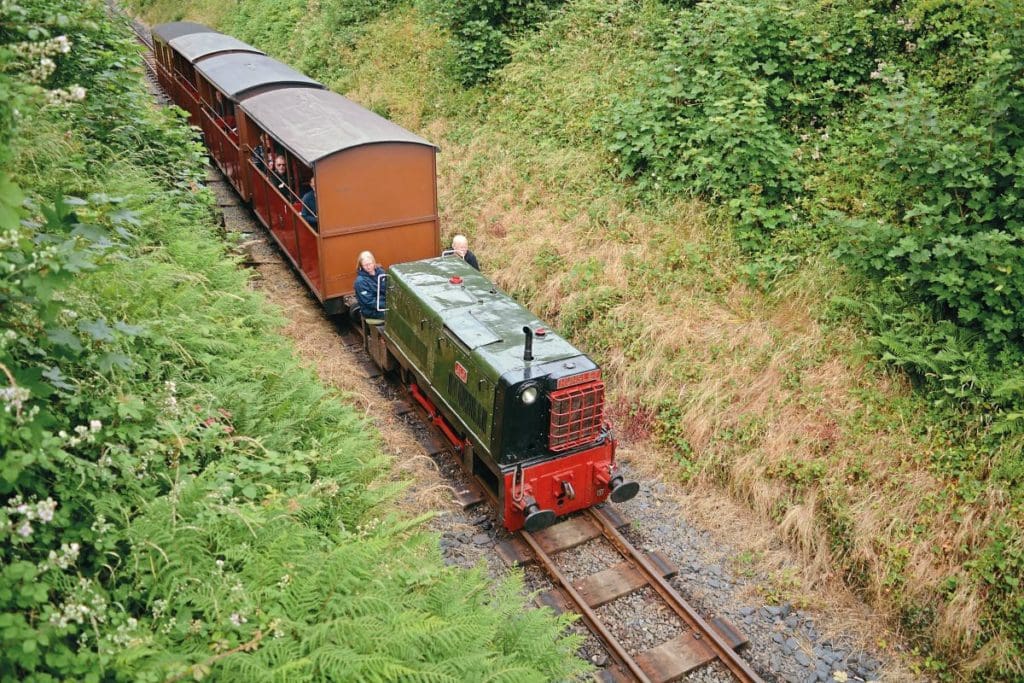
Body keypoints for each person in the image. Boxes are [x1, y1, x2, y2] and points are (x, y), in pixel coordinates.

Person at [354, 250, 386, 320]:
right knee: (395, 316)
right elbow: (369, 302)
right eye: (365, 265)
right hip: (372, 310)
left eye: (370, 264)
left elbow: (387, 289)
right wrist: (387, 305)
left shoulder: (381, 272)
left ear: (374, 262)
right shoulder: (360, 281)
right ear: (361, 266)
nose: (368, 267)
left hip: (384, 304)